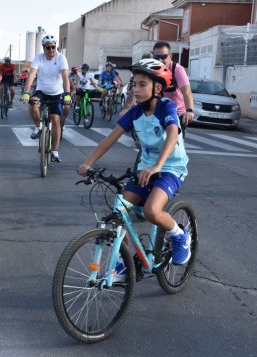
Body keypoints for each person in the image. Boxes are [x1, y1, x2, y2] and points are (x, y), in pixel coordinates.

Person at [78, 58, 191, 267]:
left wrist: (157, 166)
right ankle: (124, 261)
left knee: (152, 211)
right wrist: (88, 163)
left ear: (157, 88)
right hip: (144, 169)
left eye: (142, 85)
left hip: (170, 167)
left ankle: (179, 235)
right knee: (117, 215)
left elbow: (173, 134)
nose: (135, 89)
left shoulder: (166, 107)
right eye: (133, 84)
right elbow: (110, 139)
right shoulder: (135, 112)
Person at [21, 34, 71, 163]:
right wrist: (26, 92)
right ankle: (38, 127)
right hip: (41, 91)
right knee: (32, 104)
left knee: (55, 119)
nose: (51, 50)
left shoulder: (61, 58)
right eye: (48, 48)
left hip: (57, 92)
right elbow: (32, 73)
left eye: (53, 47)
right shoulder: (38, 58)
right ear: (43, 48)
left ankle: (55, 151)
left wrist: (67, 93)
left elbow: (65, 77)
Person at [152, 41, 194, 135]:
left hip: (177, 112)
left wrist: (189, 110)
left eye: (163, 57)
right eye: (156, 57)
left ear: (170, 56)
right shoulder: (151, 69)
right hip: (157, 110)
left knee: (177, 143)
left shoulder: (177, 70)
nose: (160, 60)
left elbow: (187, 92)